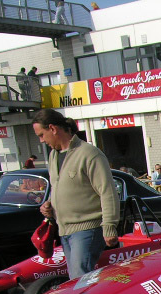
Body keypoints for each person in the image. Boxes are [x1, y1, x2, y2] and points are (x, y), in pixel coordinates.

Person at [32, 108, 119, 279]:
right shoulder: (53, 156)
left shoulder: (88, 153)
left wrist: (109, 226)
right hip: (64, 230)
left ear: (53, 128)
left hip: (88, 227)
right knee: (76, 280)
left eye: (42, 135)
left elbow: (107, 191)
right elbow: (58, 186)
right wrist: (49, 203)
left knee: (79, 280)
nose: (42, 140)